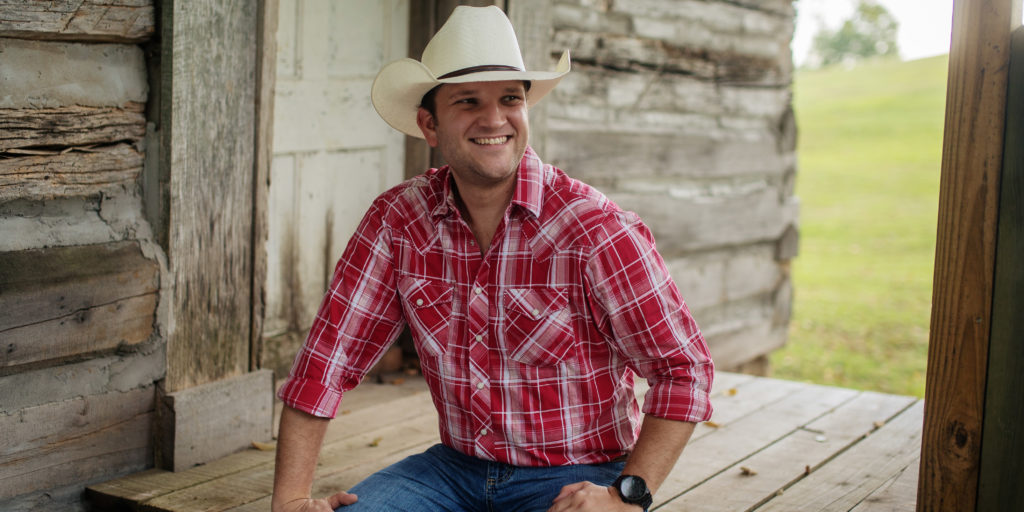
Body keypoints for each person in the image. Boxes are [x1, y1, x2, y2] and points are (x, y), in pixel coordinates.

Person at [271, 6, 713, 512]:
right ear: (429, 125)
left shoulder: (593, 228)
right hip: (451, 470)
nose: (494, 118)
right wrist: (289, 499)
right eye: (468, 101)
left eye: (510, 98)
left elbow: (684, 369)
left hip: (576, 474)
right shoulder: (398, 221)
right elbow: (327, 362)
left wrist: (626, 497)